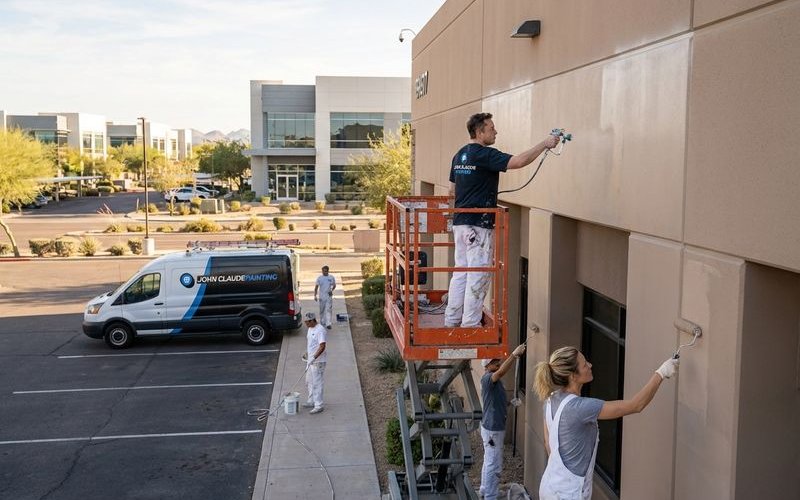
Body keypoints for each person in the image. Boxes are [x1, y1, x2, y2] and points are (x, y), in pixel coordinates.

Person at [445, 113, 560, 327]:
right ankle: (470, 325)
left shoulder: (459, 154)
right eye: (491, 128)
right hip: (478, 226)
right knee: (478, 274)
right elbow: (518, 161)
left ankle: (451, 320)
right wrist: (545, 144)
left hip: (460, 223)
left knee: (461, 271)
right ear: (479, 132)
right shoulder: (485, 154)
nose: (495, 132)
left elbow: (452, 190)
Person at [534, 347, 679, 499]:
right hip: (567, 494)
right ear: (572, 376)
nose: (590, 365)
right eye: (584, 365)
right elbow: (636, 405)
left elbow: (549, 444)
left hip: (549, 486)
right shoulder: (581, 408)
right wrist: (661, 372)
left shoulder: (551, 400)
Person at [479, 343, 527, 500]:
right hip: (493, 429)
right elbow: (500, 372)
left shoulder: (495, 382)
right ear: (487, 365)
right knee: (493, 464)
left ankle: (485, 490)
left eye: (498, 361)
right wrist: (514, 355)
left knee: (489, 460)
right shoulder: (488, 379)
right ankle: (490, 496)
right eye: (495, 363)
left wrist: (509, 403)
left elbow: (495, 401)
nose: (498, 364)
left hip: (492, 427)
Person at [302, 311, 327, 414]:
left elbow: (322, 346)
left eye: (307, 322)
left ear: (312, 320)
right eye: (305, 322)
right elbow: (312, 344)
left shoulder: (320, 330)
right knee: (309, 381)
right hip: (310, 360)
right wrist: (308, 354)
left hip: (318, 361)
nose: (306, 324)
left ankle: (319, 405)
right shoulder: (310, 328)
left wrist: (314, 357)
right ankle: (311, 400)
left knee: (317, 383)